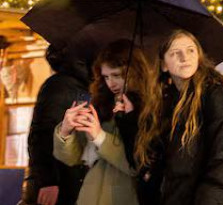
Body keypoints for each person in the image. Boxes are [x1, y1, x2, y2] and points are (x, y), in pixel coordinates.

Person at [138, 30, 223, 205]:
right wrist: (128, 116)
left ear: (199, 56)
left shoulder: (215, 97)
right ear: (164, 65)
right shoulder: (166, 105)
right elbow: (156, 161)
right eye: (175, 53)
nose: (184, 57)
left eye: (191, 50)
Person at [53, 40, 158, 205]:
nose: (111, 83)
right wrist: (65, 132)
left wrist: (100, 137)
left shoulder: (152, 107)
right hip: (91, 194)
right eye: (106, 77)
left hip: (127, 196)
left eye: (116, 75)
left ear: (134, 71)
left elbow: (137, 165)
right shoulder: (102, 104)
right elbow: (72, 158)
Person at [20, 44, 90, 205]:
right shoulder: (60, 86)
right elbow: (42, 134)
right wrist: (48, 180)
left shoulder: (82, 86)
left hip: (70, 181)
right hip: (57, 185)